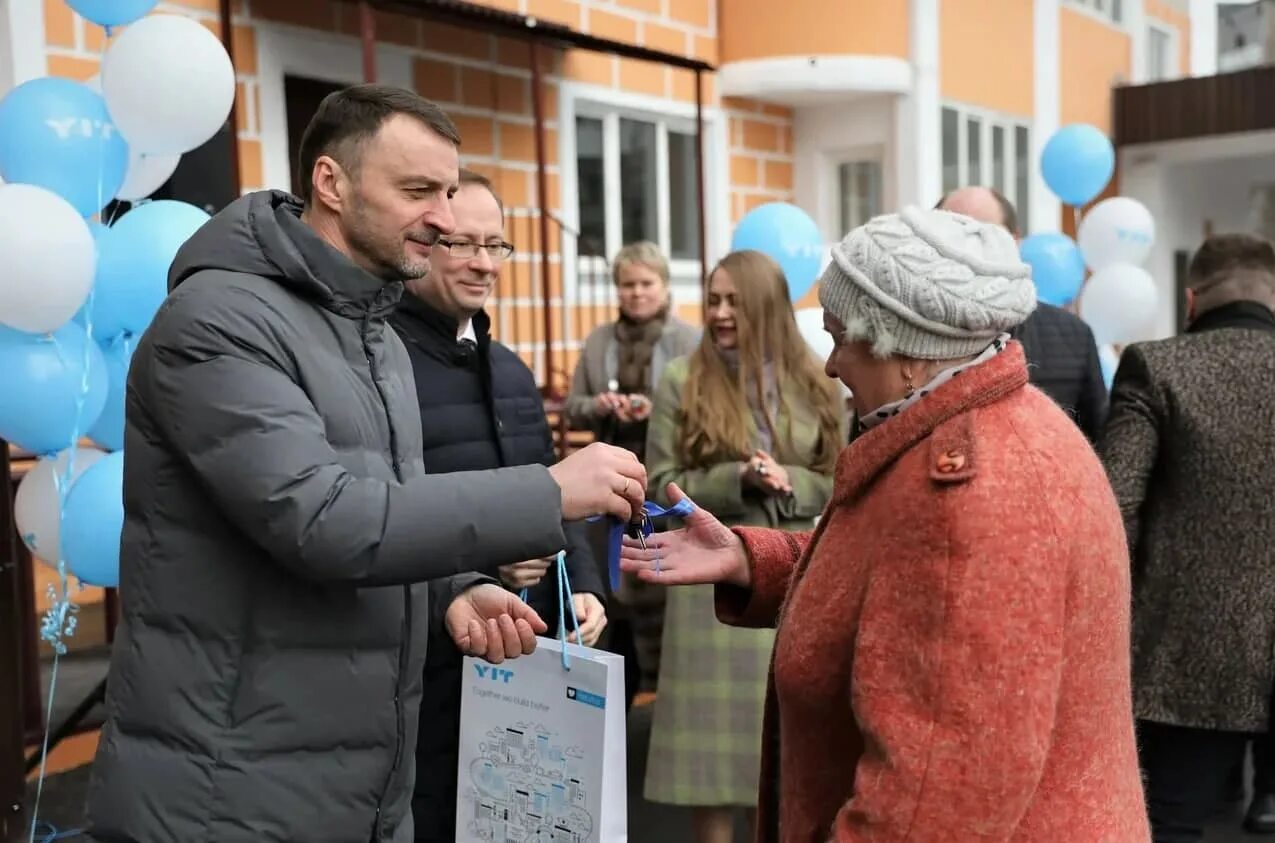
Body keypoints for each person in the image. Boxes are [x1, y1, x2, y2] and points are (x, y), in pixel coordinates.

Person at [83, 84, 646, 843]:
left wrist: (448, 587)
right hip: (228, 783)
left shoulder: (368, 324)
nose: (445, 219)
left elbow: (378, 498)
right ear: (330, 184)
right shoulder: (217, 322)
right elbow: (321, 519)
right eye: (417, 191)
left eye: (448, 191)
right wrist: (546, 492)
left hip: (354, 775)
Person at [620, 208, 1150, 841]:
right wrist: (750, 557)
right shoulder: (986, 427)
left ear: (902, 348)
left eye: (841, 337)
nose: (831, 365)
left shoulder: (976, 492)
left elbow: (932, 802)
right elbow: (897, 573)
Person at [388, 168, 607, 842]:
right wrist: (482, 571)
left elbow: (549, 489)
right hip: (425, 671)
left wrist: (586, 586)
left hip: (525, 657)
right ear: (423, 244)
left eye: (496, 245)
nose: (484, 262)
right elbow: (377, 517)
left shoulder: (508, 366)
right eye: (464, 244)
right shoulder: (380, 362)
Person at [641, 250, 843, 843]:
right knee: (710, 764)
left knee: (781, 760)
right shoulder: (682, 378)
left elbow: (842, 479)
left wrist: (789, 480)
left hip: (792, 579)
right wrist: (737, 478)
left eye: (734, 300)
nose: (720, 312)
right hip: (709, 586)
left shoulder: (819, 378)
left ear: (767, 305)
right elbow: (657, 484)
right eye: (713, 299)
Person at [1101, 232, 1275, 842]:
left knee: (1168, 824)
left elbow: (1112, 506)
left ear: (1192, 298)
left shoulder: (1159, 365)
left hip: (1184, 653)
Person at [565, 242, 700, 703]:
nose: (636, 293)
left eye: (646, 284)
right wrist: (601, 405)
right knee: (613, 588)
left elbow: (699, 410)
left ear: (664, 287)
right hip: (607, 483)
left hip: (661, 479)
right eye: (627, 285)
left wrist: (656, 409)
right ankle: (617, 692)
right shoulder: (600, 340)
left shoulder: (688, 340)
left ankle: (661, 693)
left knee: (658, 588)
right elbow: (573, 408)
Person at [937, 186, 1108, 442]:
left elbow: (1100, 447)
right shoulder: (902, 338)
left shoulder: (1072, 337)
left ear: (1014, 242)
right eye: (952, 235)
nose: (966, 250)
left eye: (982, 234)